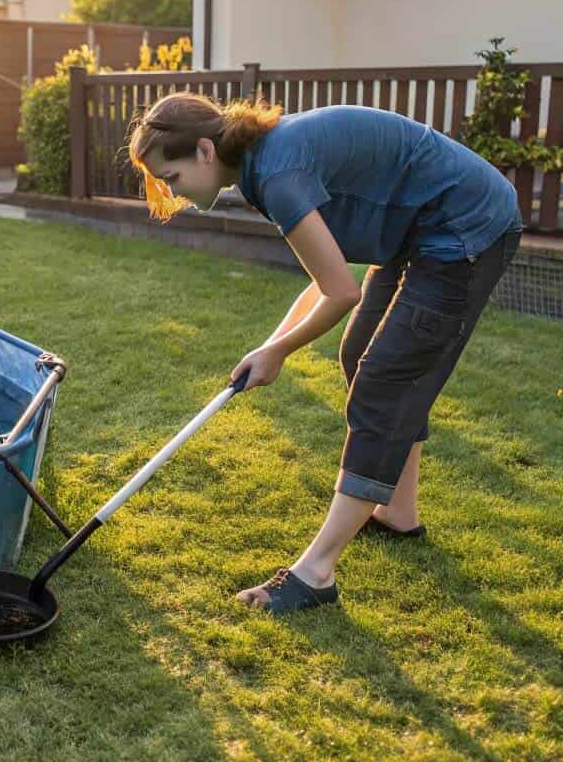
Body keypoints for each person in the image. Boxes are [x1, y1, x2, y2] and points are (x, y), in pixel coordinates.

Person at [128, 94, 522, 614]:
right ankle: (397, 513)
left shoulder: (277, 174)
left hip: (465, 228)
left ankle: (314, 574)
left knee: (386, 381)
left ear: (204, 151)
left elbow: (341, 292)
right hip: (420, 232)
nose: (172, 194)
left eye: (172, 178)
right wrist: (271, 346)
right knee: (362, 351)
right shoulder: (263, 163)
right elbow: (327, 278)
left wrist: (281, 352)